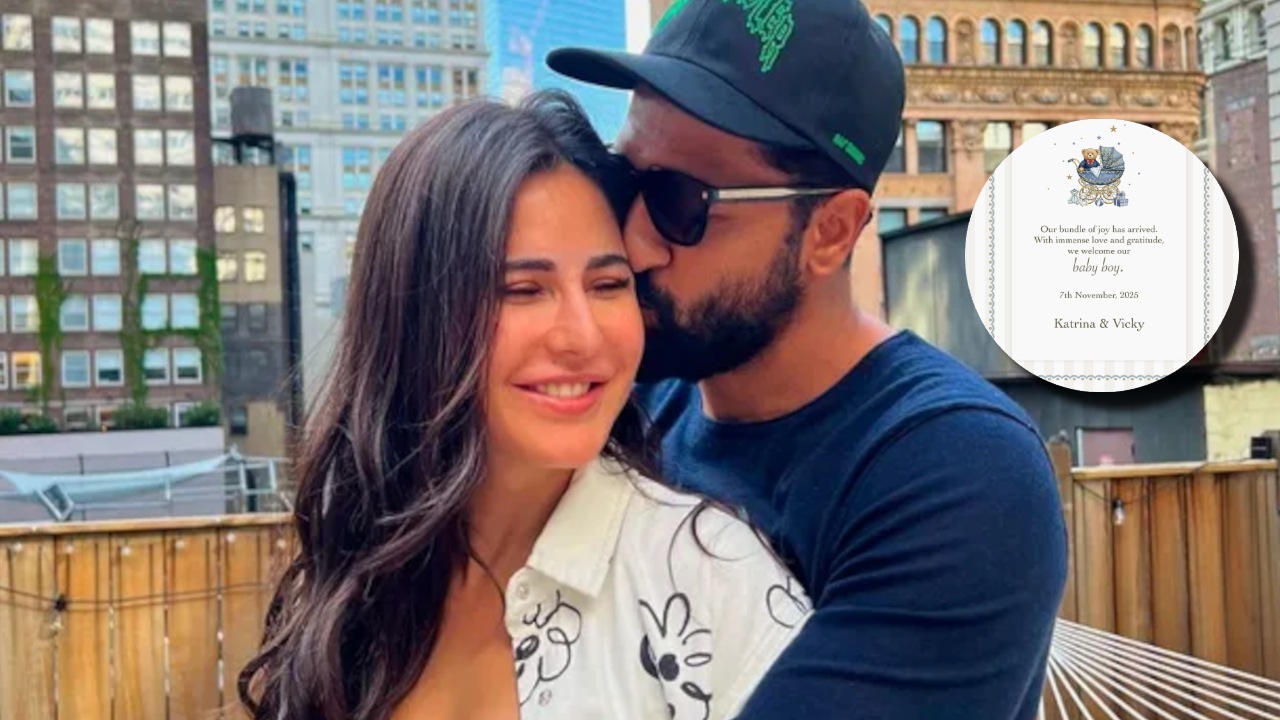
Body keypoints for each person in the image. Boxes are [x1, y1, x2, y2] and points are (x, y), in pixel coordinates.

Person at [548, 0, 1069, 718]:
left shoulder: (956, 472)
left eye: (680, 201)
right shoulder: (624, 398)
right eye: (622, 181)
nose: (633, 242)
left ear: (830, 231)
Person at [237, 90, 813, 720]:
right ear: (416, 316)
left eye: (608, 284)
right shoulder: (356, 577)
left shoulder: (713, 581)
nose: (582, 337)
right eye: (523, 290)